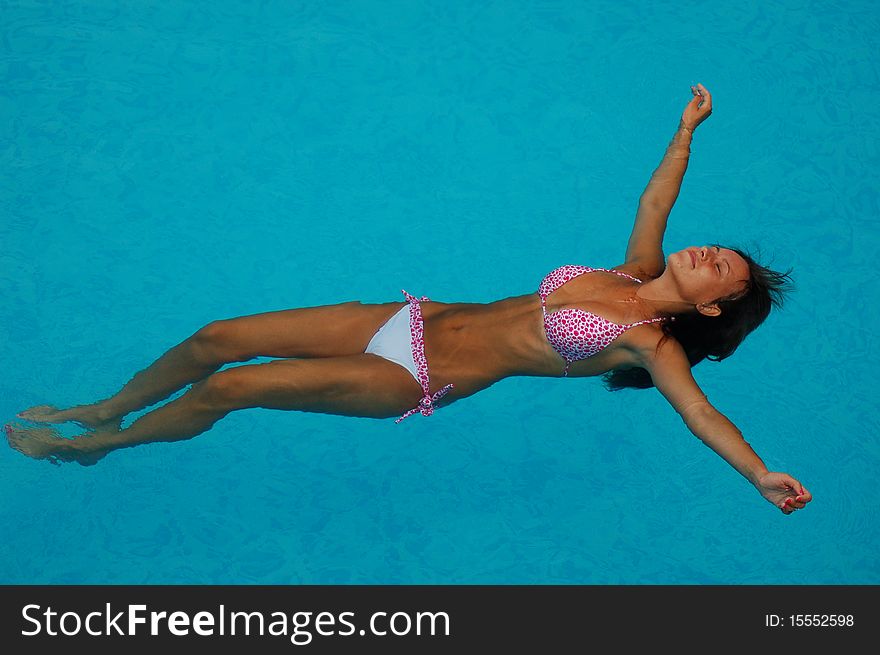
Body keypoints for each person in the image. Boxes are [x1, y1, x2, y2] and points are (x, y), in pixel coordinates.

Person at [7, 83, 811, 515]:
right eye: (721, 252)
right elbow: (654, 203)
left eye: (722, 274)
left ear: (710, 308)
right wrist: (686, 131)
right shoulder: (636, 271)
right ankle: (107, 407)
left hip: (417, 377)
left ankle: (94, 448)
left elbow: (701, 415)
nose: (711, 257)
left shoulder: (651, 342)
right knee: (218, 335)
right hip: (411, 317)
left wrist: (759, 472)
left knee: (232, 387)